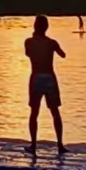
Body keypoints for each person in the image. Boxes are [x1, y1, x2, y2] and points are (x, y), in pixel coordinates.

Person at [24, 15, 65, 152]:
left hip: (36, 77)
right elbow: (63, 54)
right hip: (49, 77)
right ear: (47, 27)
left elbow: (28, 54)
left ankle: (33, 145)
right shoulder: (52, 43)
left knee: (34, 112)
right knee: (55, 111)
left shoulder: (29, 42)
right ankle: (60, 144)